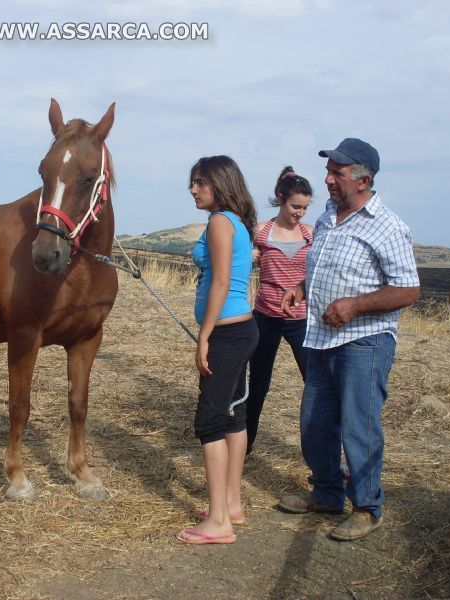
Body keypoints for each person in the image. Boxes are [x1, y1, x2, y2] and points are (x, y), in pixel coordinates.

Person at [278, 138, 420, 541]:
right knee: (315, 423)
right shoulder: (326, 217)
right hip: (320, 338)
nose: (328, 179)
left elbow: (409, 290)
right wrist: (303, 288)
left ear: (364, 180)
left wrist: (355, 306)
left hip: (365, 342)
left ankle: (366, 507)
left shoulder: (388, 226)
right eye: (329, 170)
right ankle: (326, 494)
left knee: (360, 426)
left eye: (337, 173)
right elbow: (325, 266)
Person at [176, 155, 259, 545]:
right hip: (240, 331)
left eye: (199, 182)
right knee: (233, 417)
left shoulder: (220, 222)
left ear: (220, 183)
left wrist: (204, 336)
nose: (193, 189)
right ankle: (231, 504)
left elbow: (222, 283)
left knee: (209, 422)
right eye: (192, 182)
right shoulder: (235, 222)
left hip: (227, 334)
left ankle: (220, 523)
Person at [245, 167, 313, 455]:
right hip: (266, 318)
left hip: (302, 320)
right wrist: (250, 256)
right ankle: (244, 448)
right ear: (281, 199)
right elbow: (239, 261)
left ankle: (323, 453)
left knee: (316, 384)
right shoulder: (261, 231)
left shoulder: (311, 234)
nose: (300, 213)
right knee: (258, 386)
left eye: (305, 208)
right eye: (296, 206)